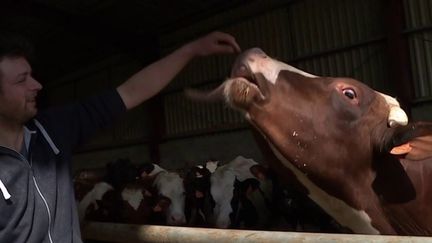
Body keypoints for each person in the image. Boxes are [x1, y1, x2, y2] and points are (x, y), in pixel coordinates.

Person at [0, 31, 240, 243]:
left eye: (31, 75)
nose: (37, 85)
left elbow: (131, 91)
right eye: (22, 80)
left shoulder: (52, 129)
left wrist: (191, 50)